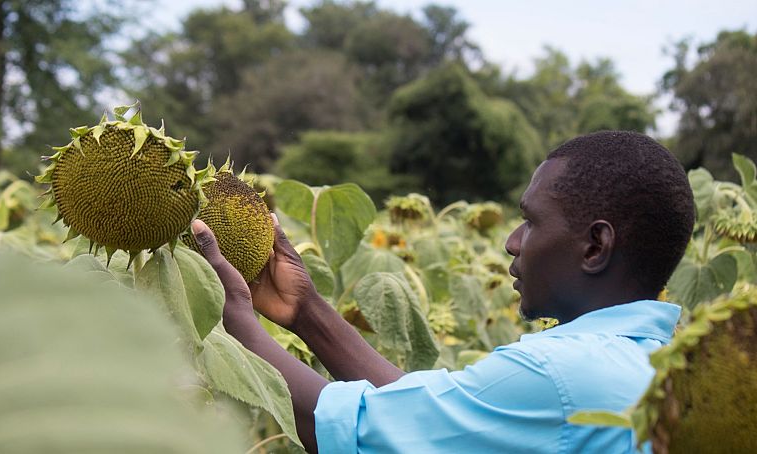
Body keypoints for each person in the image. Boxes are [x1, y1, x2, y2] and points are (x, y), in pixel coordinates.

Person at [191, 130, 695, 453]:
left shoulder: (559, 375)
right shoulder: (665, 365)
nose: (512, 242)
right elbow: (424, 421)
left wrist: (237, 320)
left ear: (594, 247)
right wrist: (305, 310)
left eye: (530, 222)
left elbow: (359, 435)